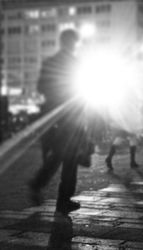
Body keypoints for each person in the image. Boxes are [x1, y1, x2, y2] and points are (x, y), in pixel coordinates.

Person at [29, 29, 89, 214]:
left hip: (55, 116)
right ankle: (59, 197)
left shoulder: (50, 62)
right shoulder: (76, 64)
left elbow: (40, 87)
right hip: (71, 117)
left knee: (60, 155)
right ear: (72, 43)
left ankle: (47, 190)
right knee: (68, 158)